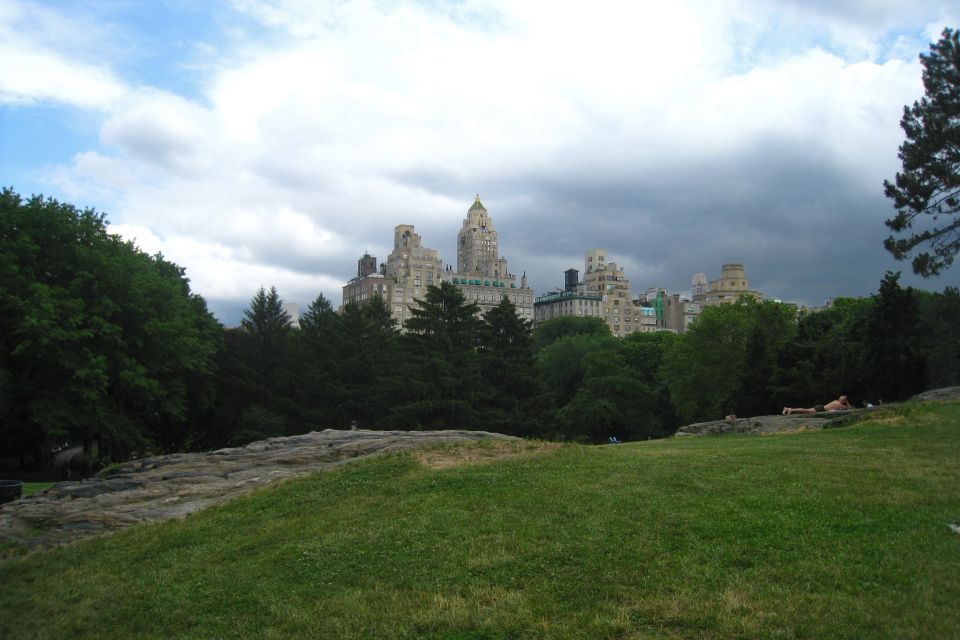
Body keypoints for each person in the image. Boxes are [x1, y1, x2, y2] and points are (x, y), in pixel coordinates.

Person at [782, 395, 852, 415]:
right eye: (842, 399)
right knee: (807, 410)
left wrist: (846, 401)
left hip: (821, 407)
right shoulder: (839, 404)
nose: (841, 400)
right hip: (821, 408)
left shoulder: (836, 401)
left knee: (806, 410)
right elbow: (849, 408)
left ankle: (788, 409)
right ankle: (791, 409)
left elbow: (848, 408)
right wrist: (847, 401)